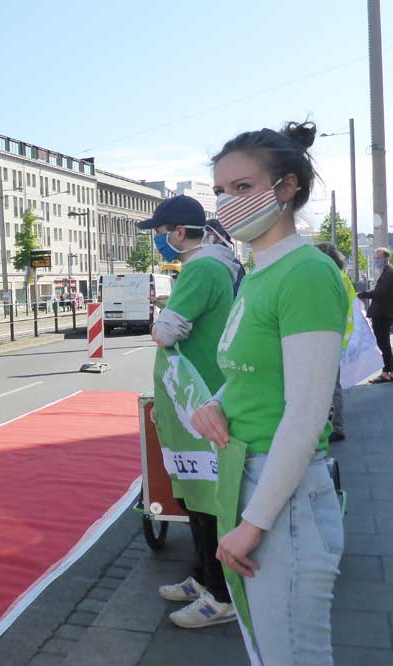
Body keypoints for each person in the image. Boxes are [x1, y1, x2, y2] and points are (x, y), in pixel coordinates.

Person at [191, 121, 348, 665]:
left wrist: (252, 523)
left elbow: (306, 413)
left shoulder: (304, 273)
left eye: (241, 188)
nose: (225, 202)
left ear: (285, 189)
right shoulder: (258, 273)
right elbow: (251, 375)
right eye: (218, 190)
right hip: (254, 476)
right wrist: (216, 406)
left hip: (284, 494)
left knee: (292, 656)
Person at [138, 196, 240, 629]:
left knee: (205, 499)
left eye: (160, 232)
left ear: (180, 232)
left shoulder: (200, 268)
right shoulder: (218, 265)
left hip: (198, 400)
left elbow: (166, 332)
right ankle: (203, 579)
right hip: (195, 399)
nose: (158, 240)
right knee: (196, 495)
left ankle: (220, 595)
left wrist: (157, 326)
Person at [316, 242, 356, 442]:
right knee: (333, 385)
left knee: (330, 386)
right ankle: (336, 424)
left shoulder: (331, 278)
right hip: (338, 337)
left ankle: (336, 426)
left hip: (329, 338)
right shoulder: (342, 278)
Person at [358, 247, 393, 383]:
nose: (375, 260)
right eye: (375, 258)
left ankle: (390, 372)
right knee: (383, 343)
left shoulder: (389, 274)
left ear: (386, 258)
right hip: (383, 313)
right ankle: (388, 372)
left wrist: (360, 294)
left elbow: (379, 293)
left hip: (383, 313)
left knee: (383, 343)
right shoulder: (387, 272)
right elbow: (379, 290)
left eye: (378, 258)